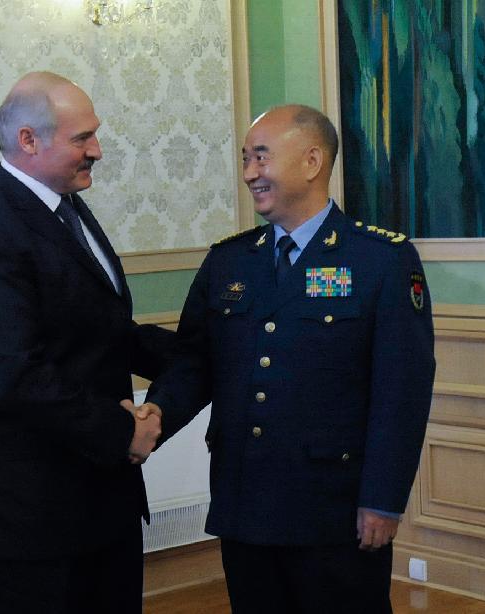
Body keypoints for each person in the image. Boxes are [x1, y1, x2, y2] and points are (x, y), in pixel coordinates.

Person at [137, 105, 436, 613]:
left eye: (261, 157)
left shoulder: (379, 260)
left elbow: (402, 390)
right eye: (245, 159)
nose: (250, 173)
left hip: (334, 509)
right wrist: (155, 418)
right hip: (245, 501)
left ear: (313, 160)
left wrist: (382, 499)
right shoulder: (229, 260)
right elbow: (195, 363)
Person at [0, 72, 172, 613]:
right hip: (29, 515)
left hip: (100, 500)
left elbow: (103, 333)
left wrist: (199, 353)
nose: (97, 150)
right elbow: (17, 376)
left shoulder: (67, 210)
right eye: (81, 139)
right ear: (28, 141)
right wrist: (124, 433)